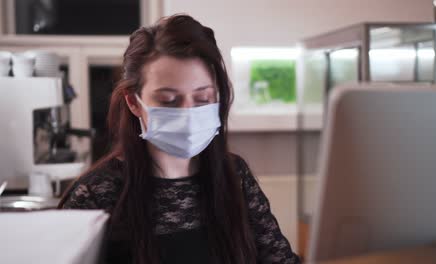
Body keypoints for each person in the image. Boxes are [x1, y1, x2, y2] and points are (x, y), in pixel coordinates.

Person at [58, 14, 300, 264]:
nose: (188, 114)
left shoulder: (234, 175)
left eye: (203, 99)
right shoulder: (96, 195)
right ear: (133, 103)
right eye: (168, 100)